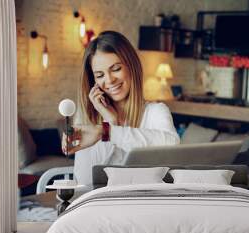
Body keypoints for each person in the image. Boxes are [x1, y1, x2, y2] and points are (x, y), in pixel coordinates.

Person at [62, 31, 180, 185]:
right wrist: (110, 121)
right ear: (93, 81)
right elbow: (85, 181)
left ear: (132, 66)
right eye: (99, 75)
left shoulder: (156, 111)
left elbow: (171, 147)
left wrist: (107, 132)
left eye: (116, 69)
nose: (109, 80)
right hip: (102, 204)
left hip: (145, 202)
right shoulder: (87, 118)